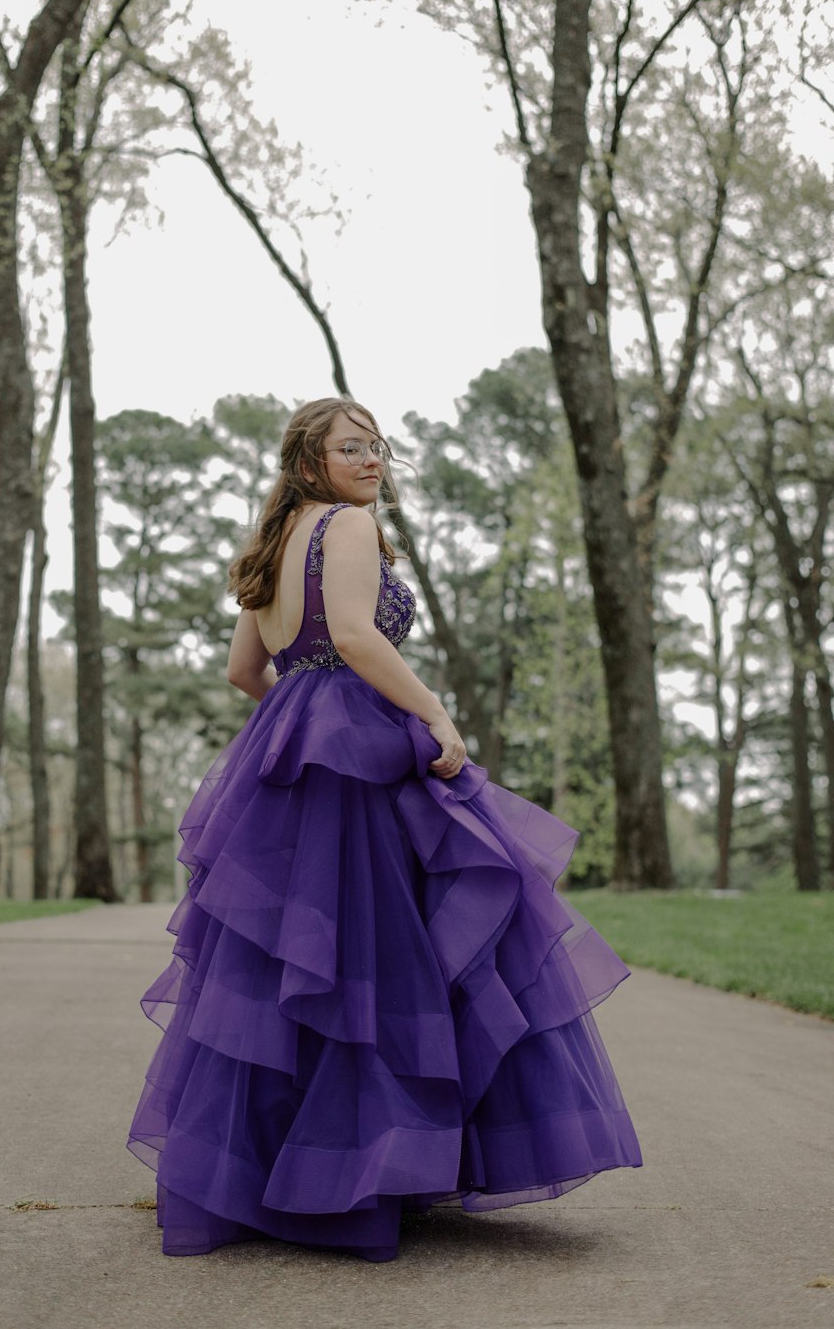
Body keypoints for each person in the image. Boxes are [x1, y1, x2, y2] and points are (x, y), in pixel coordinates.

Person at [127, 396, 642, 1262]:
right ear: (308, 460)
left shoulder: (271, 546)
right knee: (401, 944)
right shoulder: (349, 526)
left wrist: (301, 715)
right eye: (350, 447)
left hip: (288, 752)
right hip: (354, 748)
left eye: (377, 446)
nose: (371, 461)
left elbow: (245, 671)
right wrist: (433, 715)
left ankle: (287, 1172)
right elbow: (360, 636)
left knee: (299, 965)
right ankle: (371, 1166)